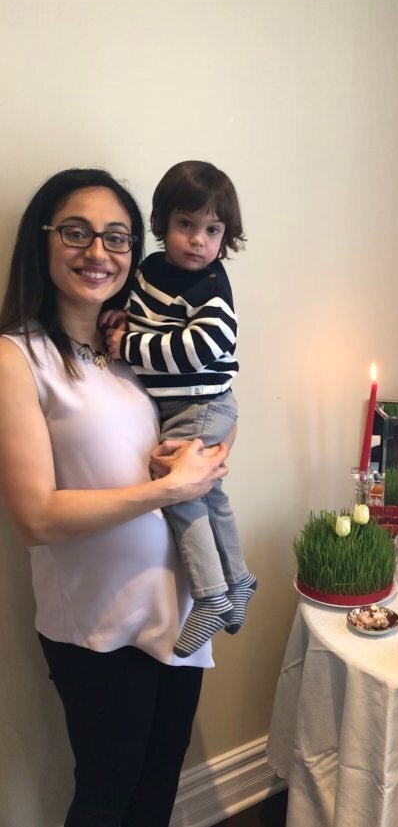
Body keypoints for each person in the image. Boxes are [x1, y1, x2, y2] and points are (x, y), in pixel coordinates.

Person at [0, 168, 231, 827]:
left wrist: (210, 452)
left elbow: (215, 402)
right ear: (42, 241)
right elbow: (35, 516)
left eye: (117, 237)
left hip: (179, 606)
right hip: (97, 624)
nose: (98, 252)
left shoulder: (134, 344)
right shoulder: (18, 356)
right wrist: (166, 488)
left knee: (159, 785)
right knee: (107, 793)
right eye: (77, 232)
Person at [101, 161, 256, 658]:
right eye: (186, 225)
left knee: (180, 490)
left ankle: (210, 595)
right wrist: (121, 315)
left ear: (225, 236)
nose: (197, 240)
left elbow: (197, 349)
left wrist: (130, 347)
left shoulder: (212, 288)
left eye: (212, 230)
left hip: (204, 403)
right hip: (188, 407)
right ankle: (238, 578)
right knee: (210, 495)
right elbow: (143, 312)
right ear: (163, 223)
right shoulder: (151, 270)